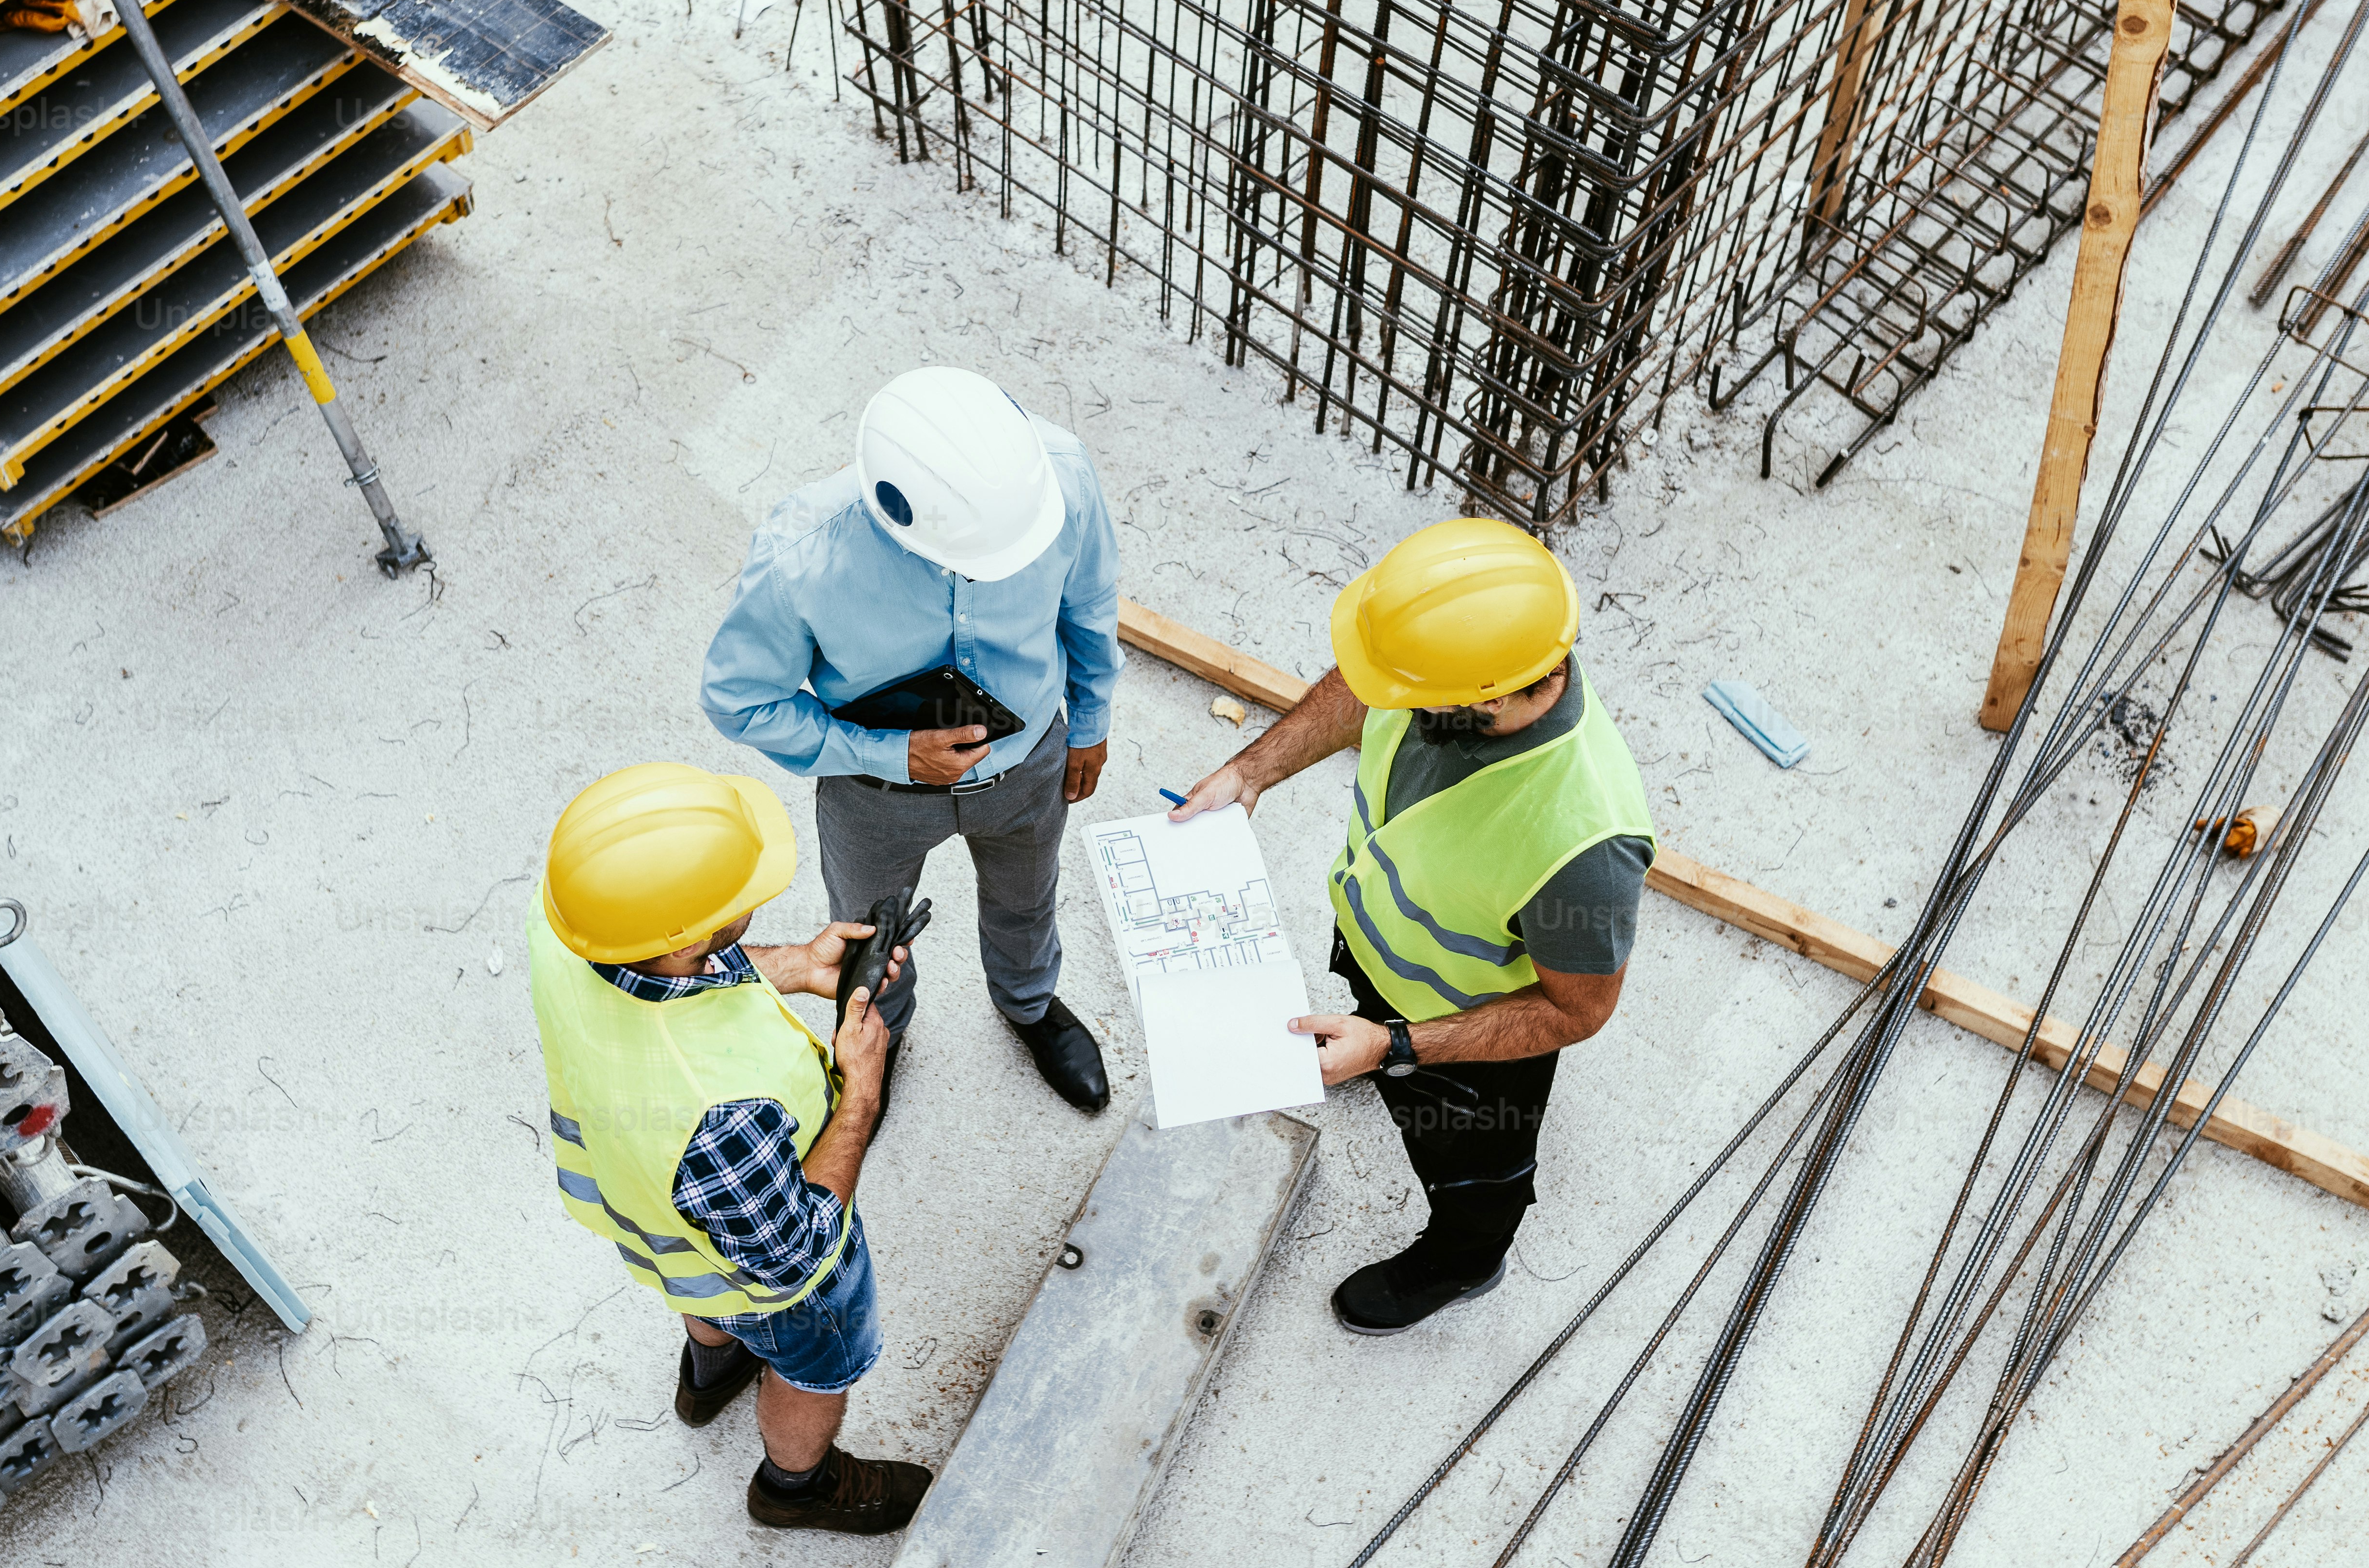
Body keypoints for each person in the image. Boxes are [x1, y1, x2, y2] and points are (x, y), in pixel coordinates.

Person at [1168, 518, 1655, 1331]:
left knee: (1472, 1162)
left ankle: (1464, 1261)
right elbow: (1366, 689)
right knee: (1371, 1047)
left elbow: (1579, 1011)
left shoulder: (1584, 844)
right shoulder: (1453, 673)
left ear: (1493, 695)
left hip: (1468, 1042)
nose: (1391, 698)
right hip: (1379, 959)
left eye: (1411, 690)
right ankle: (1376, 1057)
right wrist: (1253, 770)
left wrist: (1395, 1046)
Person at [700, 366, 1121, 1115]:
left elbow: (1088, 603)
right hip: (876, 800)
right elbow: (740, 701)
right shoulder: (801, 554)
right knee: (870, 934)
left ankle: (1028, 1004)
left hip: (1028, 769)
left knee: (1029, 901)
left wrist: (1090, 723)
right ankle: (880, 1036)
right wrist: (889, 755)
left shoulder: (1060, 480)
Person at [526, 761, 931, 1532]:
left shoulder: (566, 926)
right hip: (766, 1266)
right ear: (692, 938)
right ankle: (796, 1485)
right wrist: (864, 1092)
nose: (753, 899)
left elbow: (661, 979)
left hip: (655, 1222)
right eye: (736, 903)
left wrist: (795, 968)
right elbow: (795, 1254)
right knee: (814, 1360)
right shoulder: (721, 1116)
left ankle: (710, 1375)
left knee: (710, 1297)